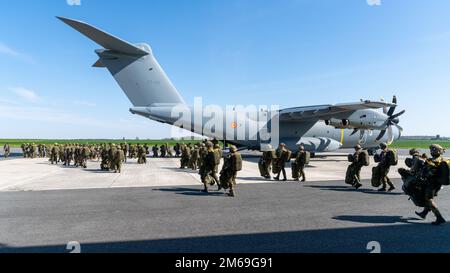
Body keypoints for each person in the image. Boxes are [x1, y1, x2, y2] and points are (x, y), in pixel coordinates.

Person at [415, 144, 447, 225]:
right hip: (437, 183)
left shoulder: (433, 161)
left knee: (429, 199)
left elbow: (430, 173)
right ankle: (424, 213)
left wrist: (423, 176)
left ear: (436, 151)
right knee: (428, 198)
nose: (431, 151)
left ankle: (439, 217)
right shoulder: (441, 159)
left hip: (431, 184)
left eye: (433, 150)